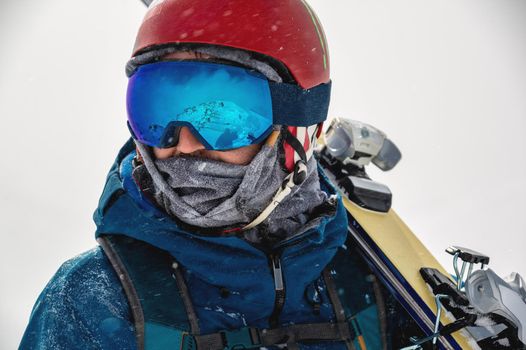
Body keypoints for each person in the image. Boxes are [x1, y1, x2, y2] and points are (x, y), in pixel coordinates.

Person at [20, 1, 385, 349]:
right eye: (158, 111)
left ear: (297, 126)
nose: (186, 144)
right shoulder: (93, 302)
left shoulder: (374, 284)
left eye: (224, 115)